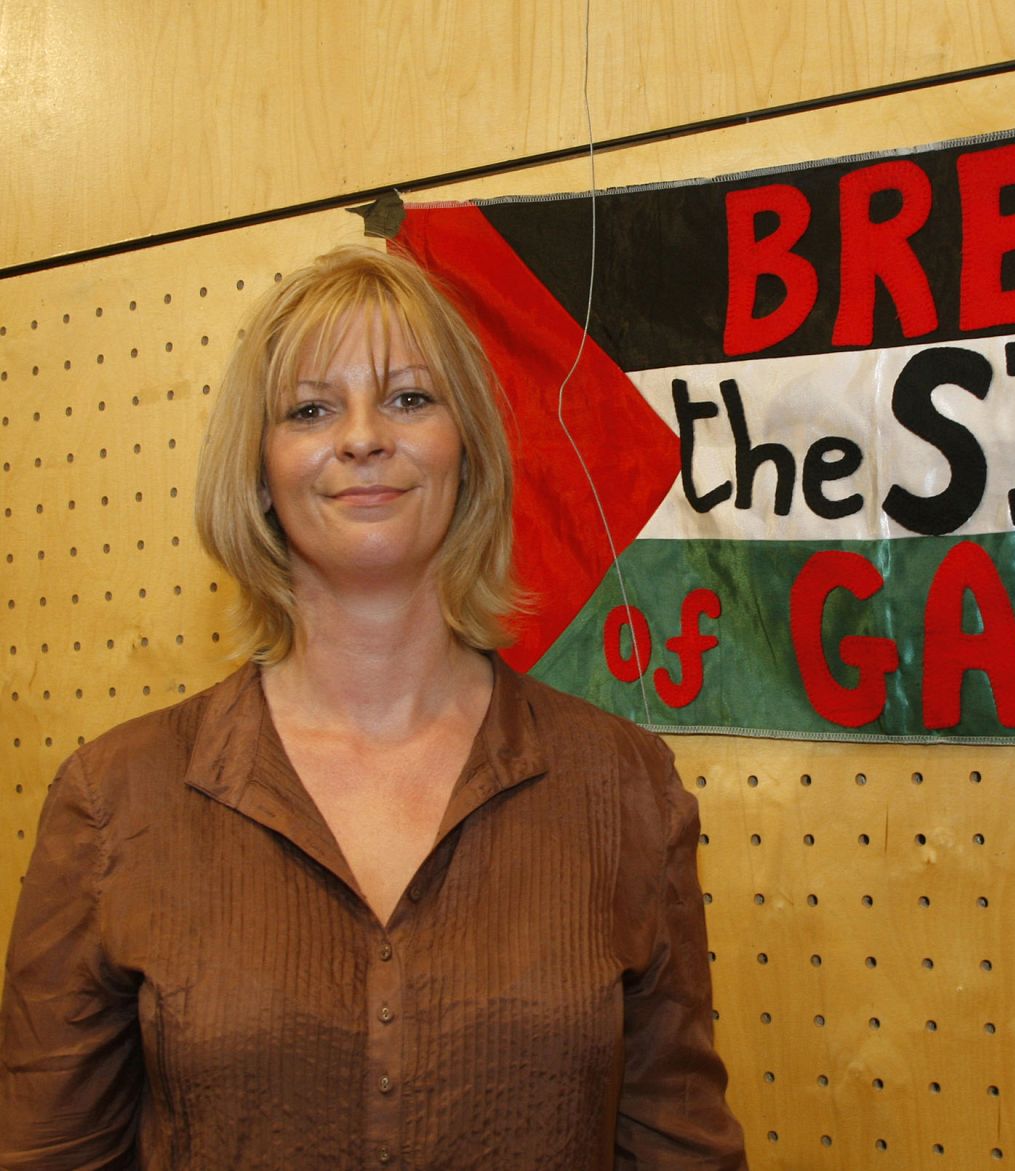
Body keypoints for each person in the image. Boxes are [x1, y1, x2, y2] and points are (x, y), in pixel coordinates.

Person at [0, 245, 748, 1169]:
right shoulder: (115, 799)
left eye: (408, 398)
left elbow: (680, 1146)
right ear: (259, 474)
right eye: (311, 408)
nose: (362, 437)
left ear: (466, 447)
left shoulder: (624, 785)